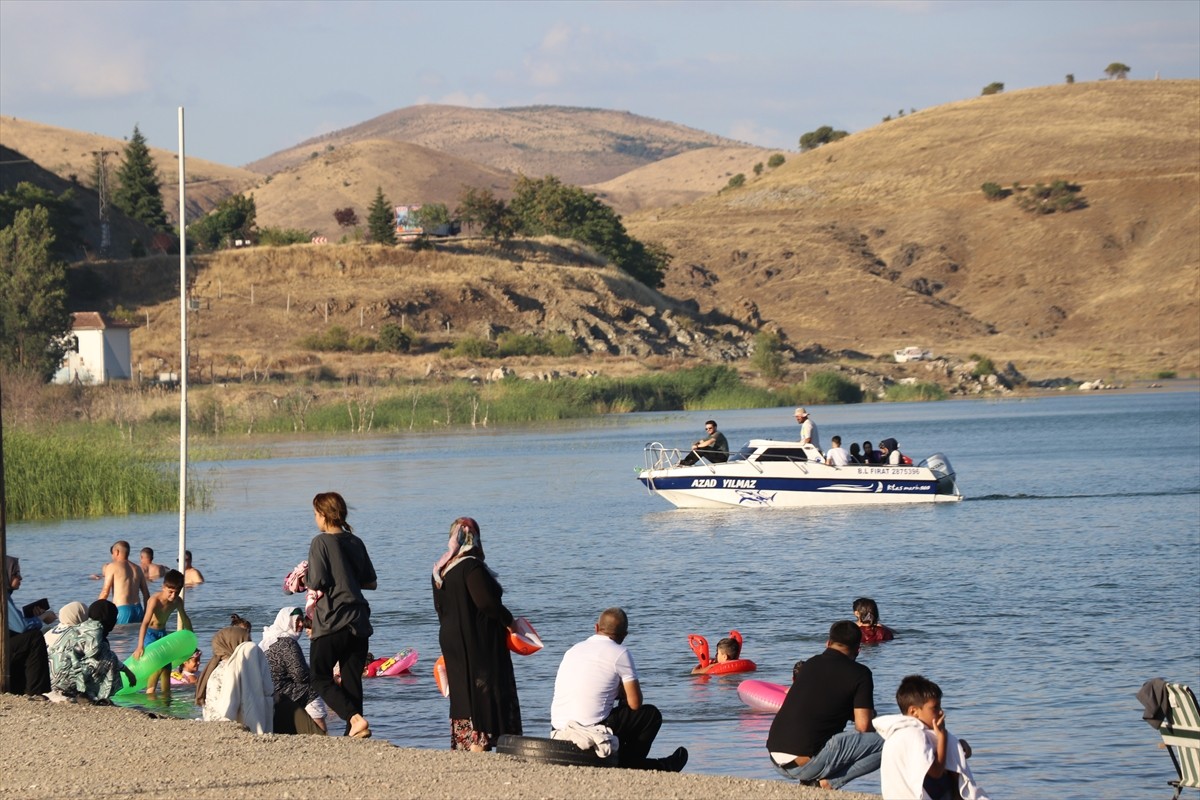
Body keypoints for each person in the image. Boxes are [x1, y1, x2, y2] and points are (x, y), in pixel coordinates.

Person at [551, 607, 688, 772]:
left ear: (596, 628)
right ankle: (631, 763)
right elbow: (635, 703)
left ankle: (628, 759)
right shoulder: (620, 653)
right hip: (592, 726)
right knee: (651, 715)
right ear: (624, 635)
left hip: (558, 726)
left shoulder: (573, 650)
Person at [432, 516, 522, 751]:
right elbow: (486, 603)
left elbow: (440, 609)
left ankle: (468, 739)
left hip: (451, 638)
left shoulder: (441, 570)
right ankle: (479, 742)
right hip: (477, 640)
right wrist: (510, 621)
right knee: (484, 688)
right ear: (476, 539)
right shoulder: (471, 566)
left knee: (463, 690)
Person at [766, 620, 883, 789]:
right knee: (890, 743)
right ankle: (827, 783)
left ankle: (813, 780)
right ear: (858, 649)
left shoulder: (810, 664)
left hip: (775, 759)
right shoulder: (861, 673)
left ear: (828, 643)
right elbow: (863, 726)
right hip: (804, 765)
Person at [307, 490, 376, 739]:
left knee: (319, 676)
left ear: (325, 515)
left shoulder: (320, 542)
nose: (315, 518)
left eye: (315, 513)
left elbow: (316, 581)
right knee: (351, 679)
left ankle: (354, 719)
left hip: (333, 619)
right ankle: (355, 731)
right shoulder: (355, 541)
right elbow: (371, 581)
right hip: (359, 620)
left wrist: (300, 577)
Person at [874, 675, 990, 800]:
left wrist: (957, 745)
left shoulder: (898, 733)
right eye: (935, 707)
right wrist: (943, 738)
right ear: (914, 711)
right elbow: (936, 773)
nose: (941, 712)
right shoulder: (914, 735)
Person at [48, 599, 135, 704]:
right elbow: (92, 653)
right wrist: (126, 671)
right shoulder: (96, 630)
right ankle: (92, 695)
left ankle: (83, 692)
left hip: (52, 680)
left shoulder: (76, 628)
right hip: (66, 682)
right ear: (109, 618)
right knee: (109, 659)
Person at [195, 625, 274, 734]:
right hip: (225, 725)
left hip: (213, 723)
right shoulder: (231, 669)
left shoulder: (215, 667)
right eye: (245, 641)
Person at [260, 607, 325, 735]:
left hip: (267, 691)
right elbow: (301, 675)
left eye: (302, 620)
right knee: (312, 689)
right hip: (281, 691)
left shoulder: (266, 640)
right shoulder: (287, 642)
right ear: (286, 621)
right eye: (297, 621)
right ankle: (321, 730)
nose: (301, 624)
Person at [133, 569, 192, 694]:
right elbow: (144, 623)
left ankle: (166, 695)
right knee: (157, 664)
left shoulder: (177, 601)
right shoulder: (154, 600)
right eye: (170, 592)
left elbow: (185, 618)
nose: (173, 596)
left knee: (167, 665)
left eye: (176, 593)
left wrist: (192, 638)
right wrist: (140, 646)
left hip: (162, 633)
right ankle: (150, 692)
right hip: (150, 633)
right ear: (163, 587)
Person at [4, 556, 54, 697]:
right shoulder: (2, 596)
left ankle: (19, 689)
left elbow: (15, 624)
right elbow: (21, 627)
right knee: (34, 638)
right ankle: (36, 691)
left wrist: (32, 617)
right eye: (15, 574)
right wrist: (41, 618)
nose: (20, 578)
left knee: (25, 639)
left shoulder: (6, 596)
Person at [97, 540, 150, 625]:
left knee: (120, 636)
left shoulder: (112, 566)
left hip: (123, 609)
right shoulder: (138, 568)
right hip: (138, 609)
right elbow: (146, 595)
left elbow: (105, 592)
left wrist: (96, 613)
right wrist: (147, 614)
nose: (112, 556)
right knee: (135, 637)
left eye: (112, 553)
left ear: (117, 552)